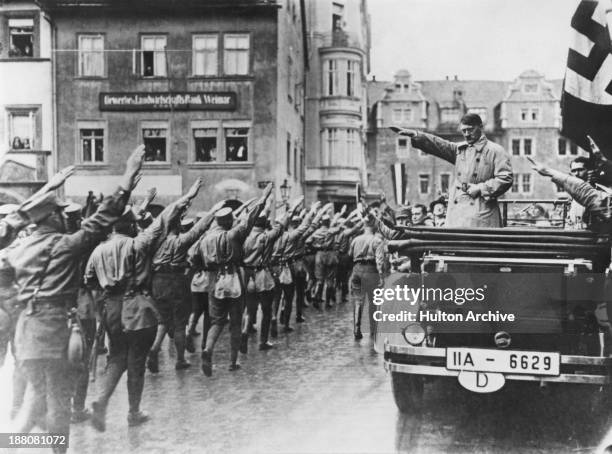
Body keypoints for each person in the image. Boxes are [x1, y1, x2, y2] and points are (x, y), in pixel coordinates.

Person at [5, 146, 144, 451]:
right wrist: (127, 178)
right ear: (52, 218)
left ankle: (11, 443)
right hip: (55, 332)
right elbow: (101, 220)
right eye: (59, 213)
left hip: (25, 334)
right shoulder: (64, 245)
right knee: (57, 401)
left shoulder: (15, 251)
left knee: (35, 399)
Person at [85, 178, 204, 431]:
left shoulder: (97, 251)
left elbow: (90, 281)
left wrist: (102, 307)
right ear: (129, 224)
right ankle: (133, 412)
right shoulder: (136, 244)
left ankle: (101, 399)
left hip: (111, 308)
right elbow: (163, 219)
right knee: (136, 360)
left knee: (117, 356)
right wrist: (188, 196)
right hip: (137, 306)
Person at [198, 183, 273, 376]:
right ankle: (233, 361)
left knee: (216, 321)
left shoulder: (206, 238)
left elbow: (194, 258)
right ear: (230, 220)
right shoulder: (233, 234)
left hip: (213, 280)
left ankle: (207, 349)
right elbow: (249, 220)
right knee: (235, 322)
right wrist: (263, 198)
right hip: (234, 278)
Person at [391, 113, 513, 227]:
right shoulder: (461, 150)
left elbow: (505, 178)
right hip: (456, 214)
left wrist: (480, 188)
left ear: (480, 127)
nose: (466, 134)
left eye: (470, 130)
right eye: (463, 131)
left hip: (481, 214)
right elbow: (440, 145)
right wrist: (416, 135)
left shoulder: (496, 151)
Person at [147, 197, 223, 372]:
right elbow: (199, 229)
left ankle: (154, 349)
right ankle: (180, 359)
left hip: (158, 282)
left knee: (163, 321)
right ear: (178, 226)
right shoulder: (181, 241)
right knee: (180, 324)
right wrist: (212, 212)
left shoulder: (156, 242)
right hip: (176, 282)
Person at [348, 215, 384, 340]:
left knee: (358, 300)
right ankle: (372, 330)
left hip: (357, 270)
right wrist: (381, 276)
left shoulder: (355, 240)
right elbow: (379, 261)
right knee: (373, 302)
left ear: (363, 226)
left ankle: (356, 329)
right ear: (374, 225)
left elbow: (349, 254)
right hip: (371, 271)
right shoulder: (377, 241)